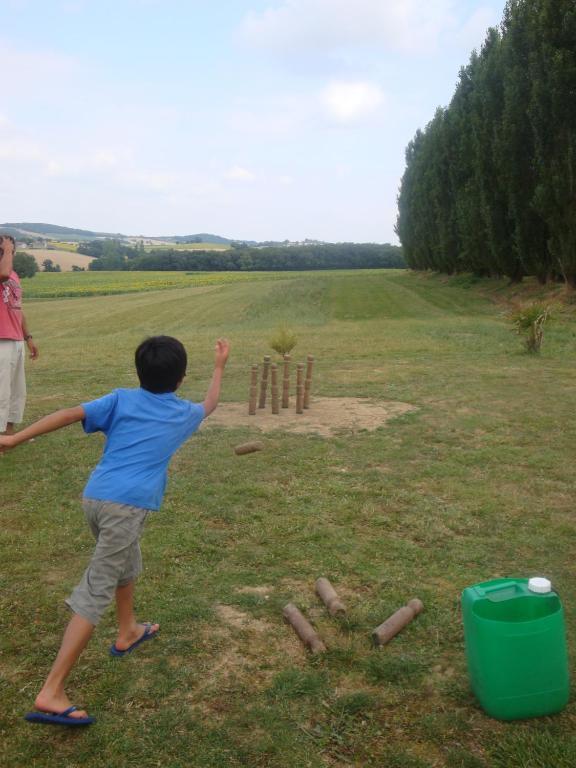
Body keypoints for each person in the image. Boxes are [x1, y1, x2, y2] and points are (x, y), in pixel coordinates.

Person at [0, 334, 230, 726]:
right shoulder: (183, 413)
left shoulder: (121, 398)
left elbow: (70, 413)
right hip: (127, 508)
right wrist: (221, 365)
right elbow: (210, 404)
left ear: (138, 371)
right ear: (180, 378)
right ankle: (51, 690)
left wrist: (17, 437)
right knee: (96, 590)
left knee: (127, 562)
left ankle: (128, 630)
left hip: (96, 499)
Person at [0, 234, 39, 434]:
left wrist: (28, 337)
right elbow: (3, 274)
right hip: (1, 341)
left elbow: (18, 307)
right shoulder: (5, 272)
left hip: (15, 339)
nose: (13, 251)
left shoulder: (14, 274)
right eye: (9, 248)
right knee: (1, 392)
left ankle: (8, 435)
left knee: (16, 391)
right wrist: (6, 250)